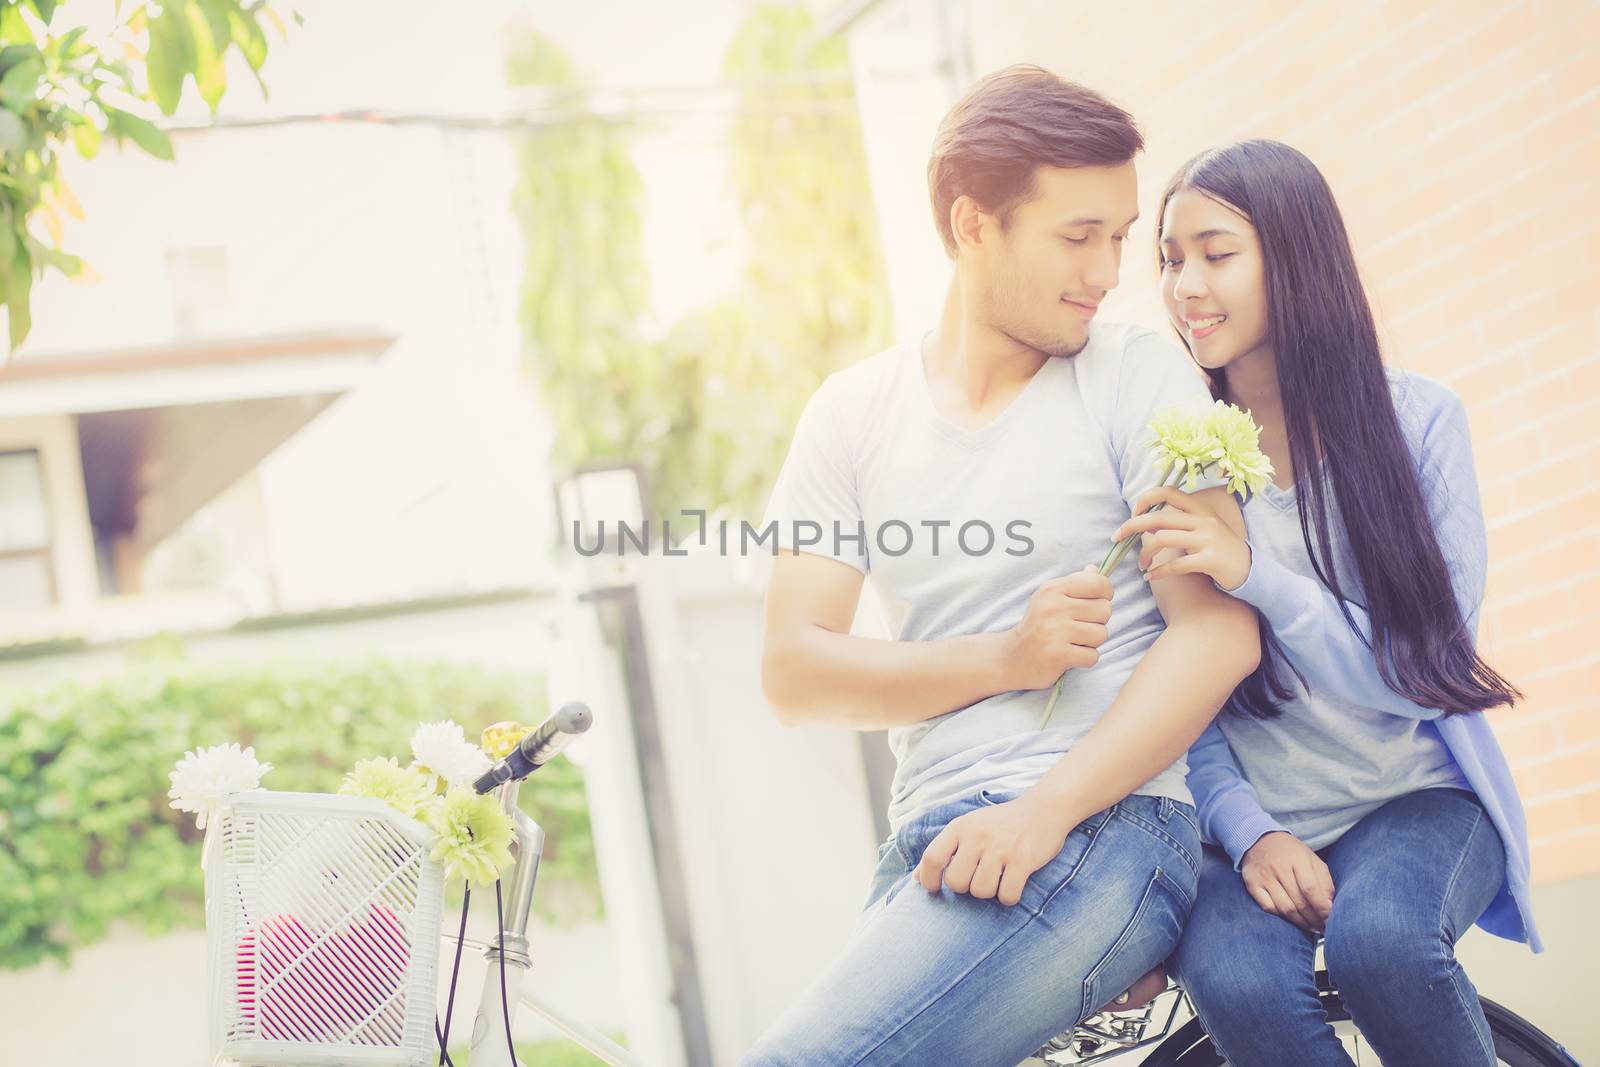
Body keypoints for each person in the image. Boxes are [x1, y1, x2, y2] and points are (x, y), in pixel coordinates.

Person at [741, 66, 1260, 1066]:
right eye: (1078, 236)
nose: (1108, 269)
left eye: (1118, 234)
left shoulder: (1136, 373)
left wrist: (1045, 808)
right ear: (973, 226)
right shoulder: (851, 415)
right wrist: (1003, 658)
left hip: (1100, 828)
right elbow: (793, 671)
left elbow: (1216, 630)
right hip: (932, 845)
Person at [1114, 138, 1540, 1067]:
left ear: (1296, 255)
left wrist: (1253, 572)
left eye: (1216, 254)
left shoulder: (1418, 422)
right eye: (1169, 258)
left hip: (1418, 802)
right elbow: (1174, 683)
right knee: (1235, 982)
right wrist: (1251, 831)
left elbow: (1423, 676)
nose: (1185, 285)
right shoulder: (1174, 460)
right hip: (1250, 825)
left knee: (1382, 945)